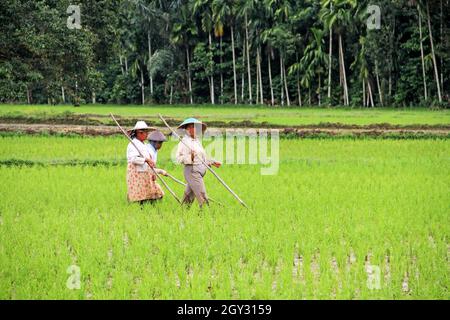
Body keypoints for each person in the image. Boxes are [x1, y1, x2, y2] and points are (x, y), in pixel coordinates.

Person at [176, 118, 221, 208]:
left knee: (188, 197)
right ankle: (205, 215)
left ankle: (182, 213)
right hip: (192, 171)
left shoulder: (196, 141)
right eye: (191, 127)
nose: (194, 129)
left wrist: (211, 162)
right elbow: (178, 158)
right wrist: (190, 157)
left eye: (196, 127)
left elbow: (200, 157)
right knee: (202, 194)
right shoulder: (184, 142)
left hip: (199, 171)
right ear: (187, 129)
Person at [126, 121, 164, 205]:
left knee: (155, 193)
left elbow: (149, 159)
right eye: (145, 132)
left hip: (145, 172)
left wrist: (153, 171)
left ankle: (152, 210)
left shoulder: (143, 145)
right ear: (139, 133)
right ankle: (142, 211)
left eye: (147, 132)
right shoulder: (132, 144)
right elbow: (133, 159)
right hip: (137, 173)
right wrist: (146, 160)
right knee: (141, 196)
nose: (147, 135)